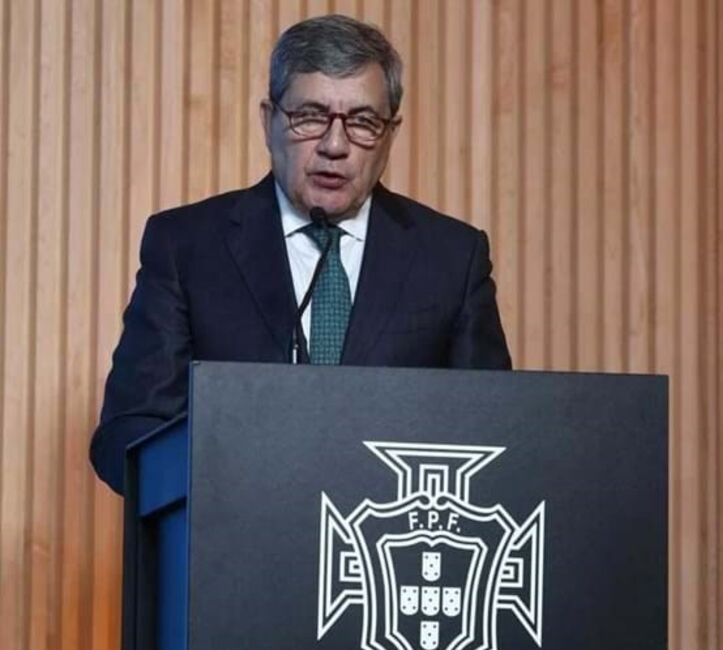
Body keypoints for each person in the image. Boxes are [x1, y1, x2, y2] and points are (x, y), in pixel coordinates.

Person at [90, 15, 511, 494]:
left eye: (363, 122)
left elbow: (496, 431)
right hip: (237, 529)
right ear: (268, 121)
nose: (334, 145)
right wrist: (236, 482)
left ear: (391, 134)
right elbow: (128, 432)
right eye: (310, 116)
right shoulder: (187, 247)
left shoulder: (452, 258)